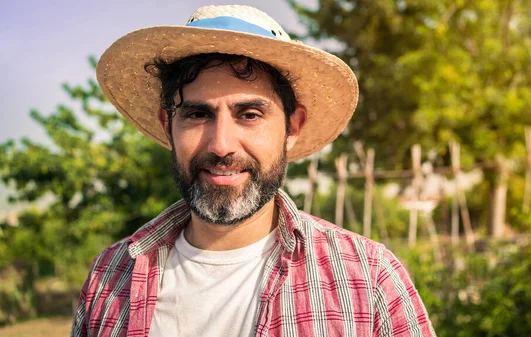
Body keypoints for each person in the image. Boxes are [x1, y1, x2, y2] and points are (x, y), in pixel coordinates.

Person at [71, 4, 436, 337]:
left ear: (292, 127)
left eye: (249, 115)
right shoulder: (110, 277)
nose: (221, 145)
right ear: (169, 126)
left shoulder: (369, 279)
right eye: (198, 114)